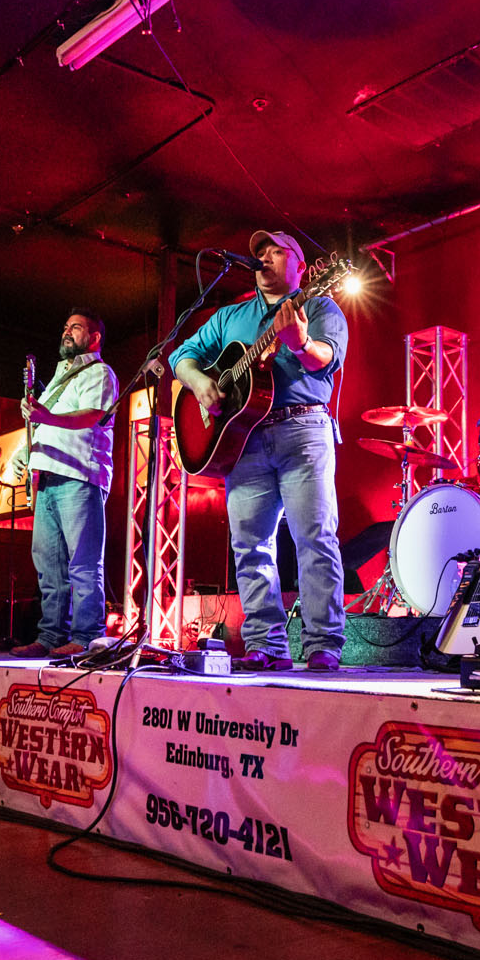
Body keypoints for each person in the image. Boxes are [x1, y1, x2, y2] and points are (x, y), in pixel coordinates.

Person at [171, 229, 348, 672]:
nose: (265, 257)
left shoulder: (320, 305)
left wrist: (300, 343)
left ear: (301, 266)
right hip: (243, 438)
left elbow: (325, 357)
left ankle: (323, 643)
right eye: (260, 253)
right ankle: (265, 645)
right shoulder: (230, 317)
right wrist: (198, 381)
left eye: (276, 251)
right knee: (250, 545)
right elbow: (183, 355)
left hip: (303, 430)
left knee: (314, 537)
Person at [9, 309, 119, 659]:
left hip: (79, 477)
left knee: (83, 565)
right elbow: (46, 424)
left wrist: (47, 416)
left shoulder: (100, 373)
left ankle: (86, 637)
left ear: (95, 337)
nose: (66, 332)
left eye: (75, 327)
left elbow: (92, 416)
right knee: (48, 564)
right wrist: (25, 452)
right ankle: (51, 636)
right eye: (65, 326)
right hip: (48, 477)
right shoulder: (59, 376)